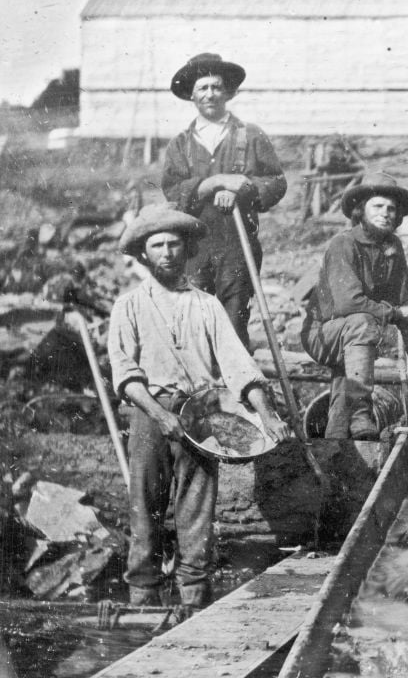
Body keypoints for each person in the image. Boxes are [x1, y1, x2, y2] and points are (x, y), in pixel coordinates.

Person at [107, 204, 292, 608]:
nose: (167, 253)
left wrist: (267, 414)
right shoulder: (129, 306)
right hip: (150, 412)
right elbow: (124, 371)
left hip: (200, 418)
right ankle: (143, 600)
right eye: (157, 246)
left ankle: (195, 603)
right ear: (144, 254)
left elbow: (238, 365)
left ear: (187, 250)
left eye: (175, 244)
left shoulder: (206, 306)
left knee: (197, 514)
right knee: (146, 510)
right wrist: (160, 416)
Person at [301, 173, 408, 440]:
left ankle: (336, 443)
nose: (385, 213)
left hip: (353, 334)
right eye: (377, 207)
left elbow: (407, 301)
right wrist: (397, 314)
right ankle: (361, 413)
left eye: (391, 209)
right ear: (360, 210)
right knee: (363, 323)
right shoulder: (344, 244)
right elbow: (348, 303)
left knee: (348, 379)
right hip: (322, 332)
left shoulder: (393, 246)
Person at [162, 53, 287, 350]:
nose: (210, 94)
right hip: (194, 247)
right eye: (202, 88)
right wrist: (214, 183)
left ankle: (237, 390)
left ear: (228, 93)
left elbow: (276, 182)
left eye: (216, 87)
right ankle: (202, 393)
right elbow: (172, 190)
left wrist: (242, 189)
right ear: (191, 95)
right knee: (194, 321)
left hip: (237, 245)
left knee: (233, 322)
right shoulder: (180, 144)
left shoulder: (250, 135)